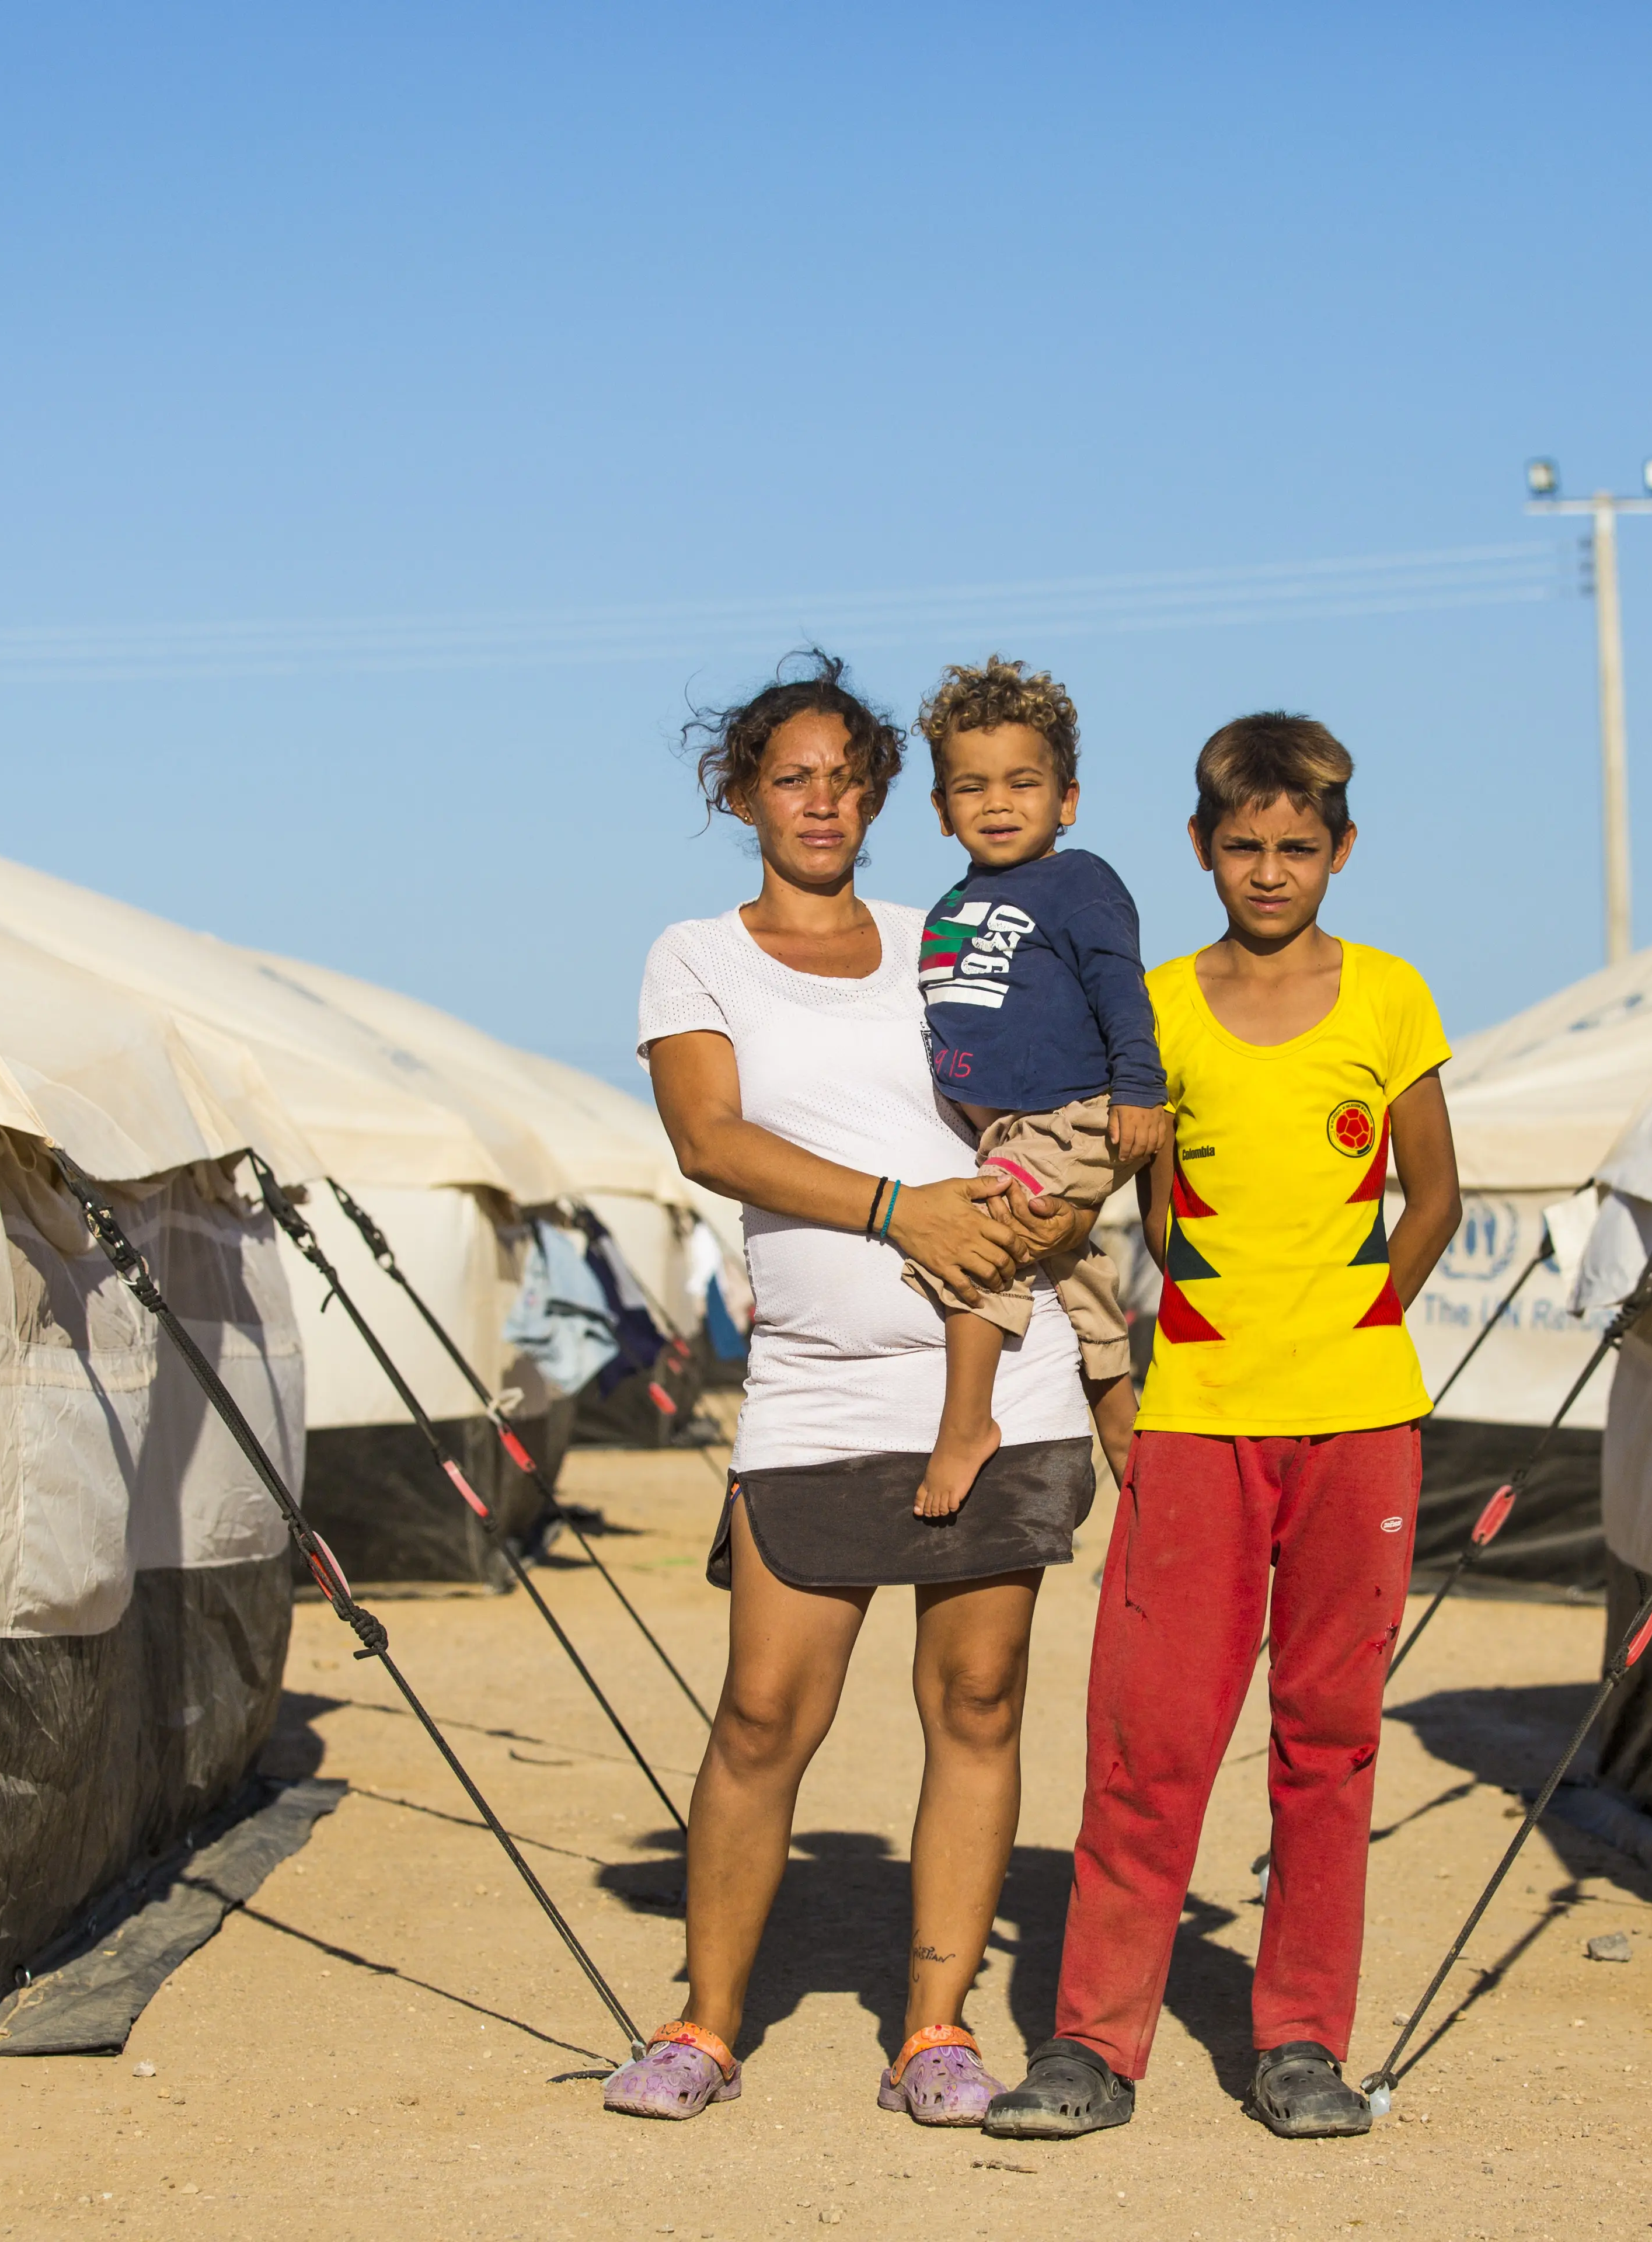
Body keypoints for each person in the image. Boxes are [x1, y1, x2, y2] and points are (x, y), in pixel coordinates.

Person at [605, 652, 1101, 2129]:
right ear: (743, 792)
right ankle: (704, 2024)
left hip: (998, 1371)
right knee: (764, 1711)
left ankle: (934, 2033)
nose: (819, 800)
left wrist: (1024, 1211)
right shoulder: (698, 953)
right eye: (790, 776)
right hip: (816, 1388)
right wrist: (903, 1211)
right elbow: (712, 1140)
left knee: (979, 1696)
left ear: (882, 794)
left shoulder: (950, 934)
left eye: (844, 776)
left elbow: (1044, 1101)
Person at [987, 712, 1461, 2143]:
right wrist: (1145, 1354)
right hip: (1199, 1420)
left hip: (1360, 1421)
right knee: (1153, 1735)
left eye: (1298, 848)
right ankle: (1090, 2044)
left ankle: (1303, 2039)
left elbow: (1432, 1193)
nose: (1270, 870)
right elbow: (1130, 1193)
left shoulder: (1389, 996)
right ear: (1200, 847)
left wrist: (1359, 1316)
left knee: (1330, 1738)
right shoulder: (1163, 1008)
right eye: (1243, 847)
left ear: (1342, 850)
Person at [901, 656, 1167, 1510]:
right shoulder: (949, 904)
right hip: (1010, 1128)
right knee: (1073, 1278)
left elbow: (1124, 990)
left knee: (980, 1241)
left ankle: (965, 1425)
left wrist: (1139, 1091)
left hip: (1075, 1111)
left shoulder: (1078, 882)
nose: (999, 803)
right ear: (942, 810)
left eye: (1024, 782)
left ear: (1069, 800)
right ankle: (1126, 1441)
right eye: (972, 788)